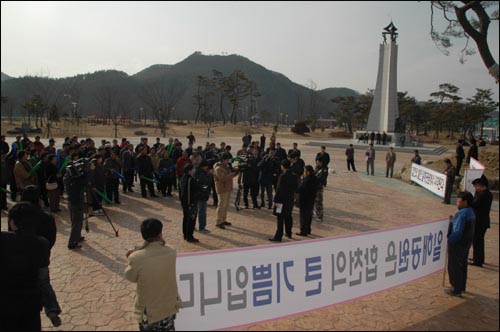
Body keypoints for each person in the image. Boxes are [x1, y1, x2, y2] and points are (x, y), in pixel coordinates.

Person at [125, 218, 183, 331]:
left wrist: (132, 255)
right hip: (168, 307)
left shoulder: (136, 257)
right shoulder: (171, 251)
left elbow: (130, 277)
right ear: (160, 233)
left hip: (150, 312)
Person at [0, 202, 50, 331]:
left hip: (5, 305)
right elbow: (43, 278)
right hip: (31, 303)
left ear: (12, 222)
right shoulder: (42, 244)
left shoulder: (3, 240)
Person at [21, 186, 62, 327]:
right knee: (44, 283)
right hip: (42, 257)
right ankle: (51, 309)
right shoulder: (46, 217)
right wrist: (45, 249)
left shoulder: (17, 217)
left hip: (23, 258)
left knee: (26, 284)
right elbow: (52, 237)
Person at [446, 192, 475, 297]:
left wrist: (450, 239)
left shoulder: (462, 214)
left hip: (458, 244)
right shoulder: (471, 212)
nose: (457, 203)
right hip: (466, 244)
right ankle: (461, 287)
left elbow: (457, 231)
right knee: (462, 265)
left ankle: (456, 289)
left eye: (459, 201)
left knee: (454, 266)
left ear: (465, 202)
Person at [269, 159, 298, 242]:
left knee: (280, 218)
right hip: (289, 200)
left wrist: (275, 201)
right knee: (288, 216)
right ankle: (289, 233)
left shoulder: (283, 176)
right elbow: (296, 187)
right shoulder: (293, 176)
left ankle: (278, 236)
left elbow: (279, 190)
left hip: (281, 201)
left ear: (283, 166)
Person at [469, 177, 493, 267]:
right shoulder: (486, 194)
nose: (475, 188)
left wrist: (469, 198)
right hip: (482, 221)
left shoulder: (484, 195)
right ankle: (478, 258)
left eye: (476, 186)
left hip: (480, 221)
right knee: (478, 241)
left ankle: (478, 260)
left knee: (478, 240)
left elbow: (475, 204)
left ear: (480, 185)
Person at [214, 153, 238, 229]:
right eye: (227, 160)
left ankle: (223, 220)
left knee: (226, 206)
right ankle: (218, 222)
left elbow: (230, 176)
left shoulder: (225, 166)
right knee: (221, 206)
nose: (228, 161)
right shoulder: (218, 168)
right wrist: (232, 174)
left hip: (227, 188)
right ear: (223, 160)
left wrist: (236, 172)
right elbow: (222, 178)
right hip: (222, 189)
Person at [296, 165, 318, 236]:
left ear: (308, 172)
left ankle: (303, 231)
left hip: (305, 200)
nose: (304, 172)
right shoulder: (314, 178)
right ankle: (308, 229)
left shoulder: (307, 180)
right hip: (311, 200)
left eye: (305, 171)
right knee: (308, 216)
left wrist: (302, 181)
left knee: (303, 216)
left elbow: (302, 189)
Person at [180, 164, 200, 243]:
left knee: (186, 219)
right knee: (190, 220)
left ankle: (185, 235)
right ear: (189, 170)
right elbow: (187, 192)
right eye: (193, 169)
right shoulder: (189, 179)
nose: (194, 170)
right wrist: (190, 204)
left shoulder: (184, 177)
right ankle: (189, 236)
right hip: (190, 203)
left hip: (186, 203)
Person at [194, 160, 211, 233]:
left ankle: (193, 226)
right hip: (202, 195)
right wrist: (210, 176)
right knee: (202, 212)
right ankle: (202, 228)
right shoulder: (202, 174)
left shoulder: (197, 172)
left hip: (198, 195)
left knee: (196, 212)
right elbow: (206, 183)